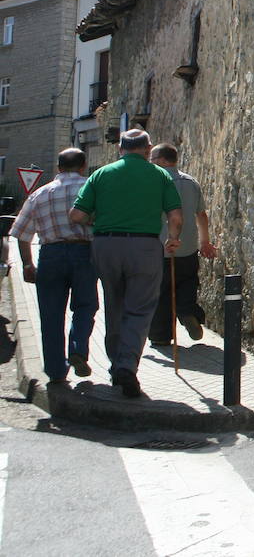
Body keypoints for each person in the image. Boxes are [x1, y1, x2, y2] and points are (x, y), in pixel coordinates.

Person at [70, 129, 182, 398]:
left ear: (120, 148)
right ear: (148, 148)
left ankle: (115, 364)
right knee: (140, 310)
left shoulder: (101, 174)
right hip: (144, 246)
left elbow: (76, 215)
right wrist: (173, 239)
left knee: (114, 305)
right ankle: (127, 366)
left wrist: (97, 223)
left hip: (106, 245)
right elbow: (175, 217)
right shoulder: (160, 175)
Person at [10, 148, 98, 386]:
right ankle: (78, 348)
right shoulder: (92, 189)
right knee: (85, 305)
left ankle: (56, 371)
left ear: (58, 168)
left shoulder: (40, 194)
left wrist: (28, 263)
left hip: (50, 255)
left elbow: (20, 233)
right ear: (83, 166)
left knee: (50, 314)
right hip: (85, 252)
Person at [148, 144, 217, 345]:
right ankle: (188, 312)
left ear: (161, 160)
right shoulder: (191, 183)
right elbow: (201, 215)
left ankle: (160, 336)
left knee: (161, 293)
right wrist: (205, 242)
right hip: (187, 249)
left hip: (160, 249)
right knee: (187, 283)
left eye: (152, 160)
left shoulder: (153, 183)